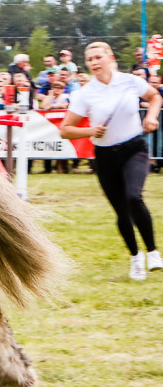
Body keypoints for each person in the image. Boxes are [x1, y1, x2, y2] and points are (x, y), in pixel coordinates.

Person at [60, 41, 162, 280]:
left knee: (133, 197)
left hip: (134, 148)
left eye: (98, 57)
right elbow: (65, 129)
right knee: (121, 212)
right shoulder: (84, 94)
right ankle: (136, 258)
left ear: (110, 57)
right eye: (90, 60)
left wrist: (152, 117)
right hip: (105, 156)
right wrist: (90, 131)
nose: (94, 63)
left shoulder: (129, 81)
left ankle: (153, 252)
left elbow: (154, 97)